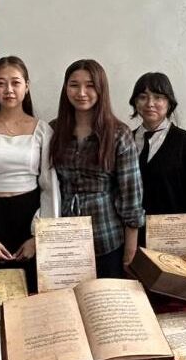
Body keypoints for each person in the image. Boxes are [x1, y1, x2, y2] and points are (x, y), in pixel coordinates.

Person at [0, 57, 59, 292]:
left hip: (30, 216)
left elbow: (50, 187)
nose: (8, 90)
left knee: (33, 293)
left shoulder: (43, 130)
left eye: (15, 82)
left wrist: (39, 236)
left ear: (27, 86)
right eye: (0, 83)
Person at [50, 59, 144, 277]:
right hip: (63, 240)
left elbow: (131, 195)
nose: (81, 92)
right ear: (65, 89)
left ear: (101, 89)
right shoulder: (53, 130)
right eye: (74, 85)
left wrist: (131, 250)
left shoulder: (119, 134)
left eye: (90, 85)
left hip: (107, 238)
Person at [128, 72, 186, 245]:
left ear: (169, 102)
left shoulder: (184, 142)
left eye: (158, 97)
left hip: (173, 237)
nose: (150, 103)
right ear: (135, 102)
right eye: (143, 97)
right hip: (133, 236)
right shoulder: (125, 140)